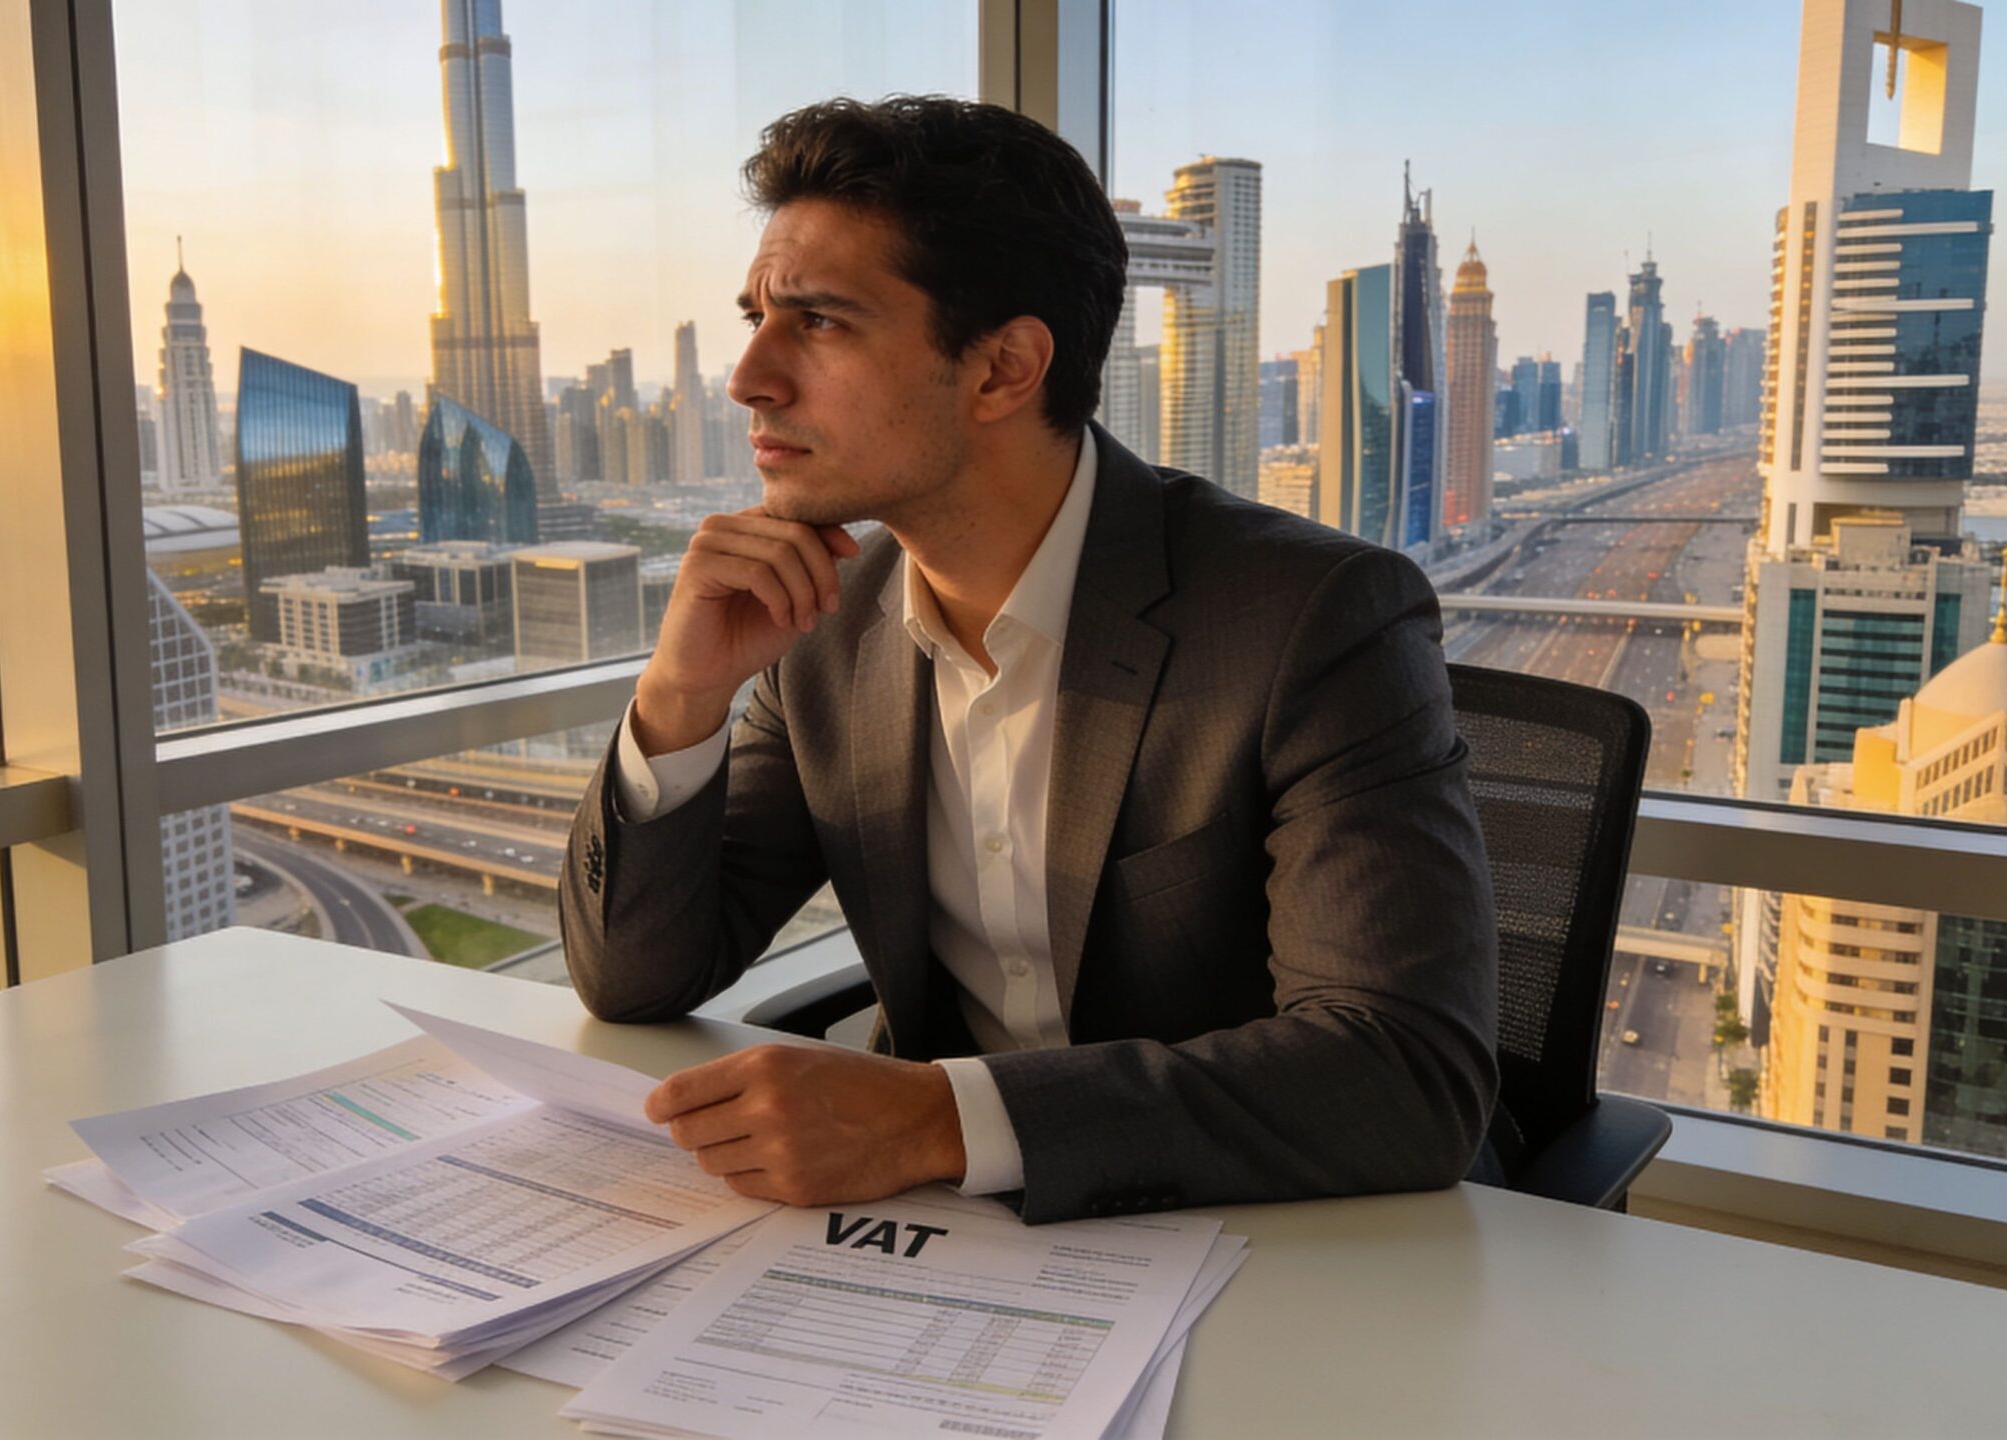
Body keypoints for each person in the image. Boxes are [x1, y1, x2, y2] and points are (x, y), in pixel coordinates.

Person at [560, 96, 1497, 1224]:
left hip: (1258, 1240)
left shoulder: (1310, 617)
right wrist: (680, 694)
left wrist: (932, 1120)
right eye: (757, 316)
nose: (749, 376)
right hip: (944, 1244)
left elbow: (1400, 1076)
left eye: (818, 322)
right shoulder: (827, 625)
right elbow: (637, 978)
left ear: (1003, 369)